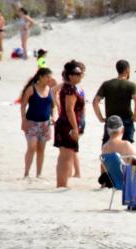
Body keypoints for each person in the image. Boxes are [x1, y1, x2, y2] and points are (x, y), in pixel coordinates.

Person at [54, 60, 86, 188]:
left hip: (64, 123)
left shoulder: (69, 87)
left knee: (65, 155)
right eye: (77, 74)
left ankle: (62, 183)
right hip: (67, 125)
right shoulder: (70, 89)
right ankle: (62, 184)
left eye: (80, 74)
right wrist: (75, 128)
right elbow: (69, 109)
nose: (80, 76)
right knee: (66, 156)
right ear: (70, 76)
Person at [93, 60, 136, 144]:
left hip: (111, 120)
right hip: (126, 121)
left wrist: (100, 118)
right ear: (127, 70)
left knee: (108, 146)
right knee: (127, 147)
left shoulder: (107, 84)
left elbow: (95, 102)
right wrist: (135, 117)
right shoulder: (131, 85)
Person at [20, 68, 55, 178]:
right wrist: (23, 120)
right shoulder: (31, 89)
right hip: (31, 123)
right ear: (40, 77)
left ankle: (39, 174)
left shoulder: (50, 90)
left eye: (50, 77)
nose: (49, 79)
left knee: (41, 149)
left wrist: (53, 117)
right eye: (47, 77)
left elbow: (53, 107)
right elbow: (23, 105)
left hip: (45, 124)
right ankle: (26, 173)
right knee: (32, 147)